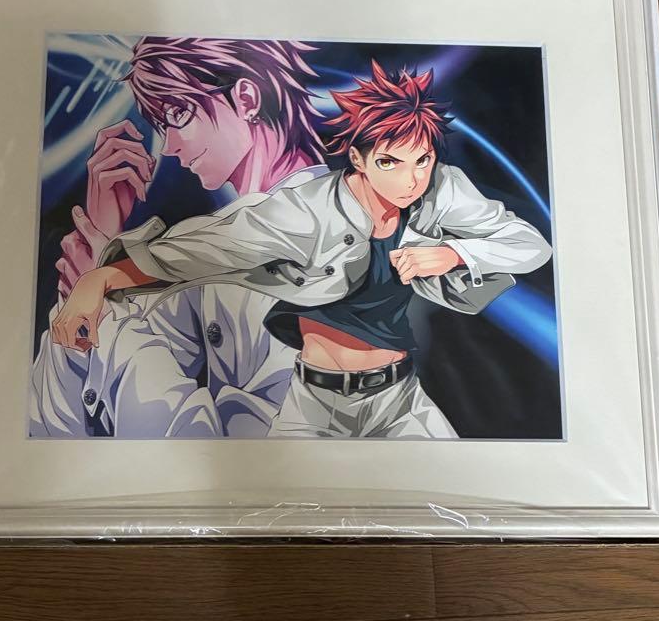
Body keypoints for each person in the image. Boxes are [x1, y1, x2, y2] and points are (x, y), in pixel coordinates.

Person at [52, 61, 553, 439]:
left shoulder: (442, 189)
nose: (411, 179)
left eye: (422, 160)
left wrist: (456, 255)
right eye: (391, 162)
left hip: (401, 400)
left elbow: (531, 245)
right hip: (315, 406)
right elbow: (205, 248)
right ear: (357, 159)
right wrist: (102, 278)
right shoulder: (305, 210)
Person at [29, 37, 327, 438]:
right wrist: (99, 253)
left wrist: (105, 299)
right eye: (162, 125)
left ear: (246, 98)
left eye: (179, 114)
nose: (169, 146)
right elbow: (59, 426)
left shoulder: (333, 229)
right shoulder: (200, 249)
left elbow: (189, 433)